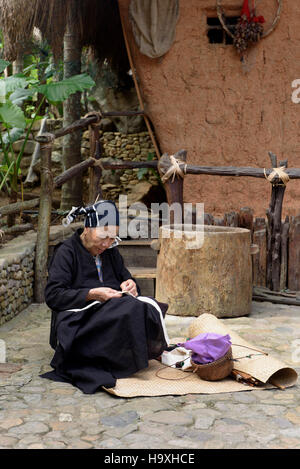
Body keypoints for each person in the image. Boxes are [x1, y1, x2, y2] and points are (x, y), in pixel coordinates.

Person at [41, 200, 169, 394]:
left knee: (151, 307)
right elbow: (53, 295)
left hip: (108, 311)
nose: (106, 243)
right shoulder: (66, 252)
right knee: (130, 310)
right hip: (78, 319)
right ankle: (118, 358)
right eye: (103, 236)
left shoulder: (110, 253)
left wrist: (131, 285)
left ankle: (124, 355)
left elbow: (125, 278)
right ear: (87, 228)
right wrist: (92, 294)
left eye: (112, 238)